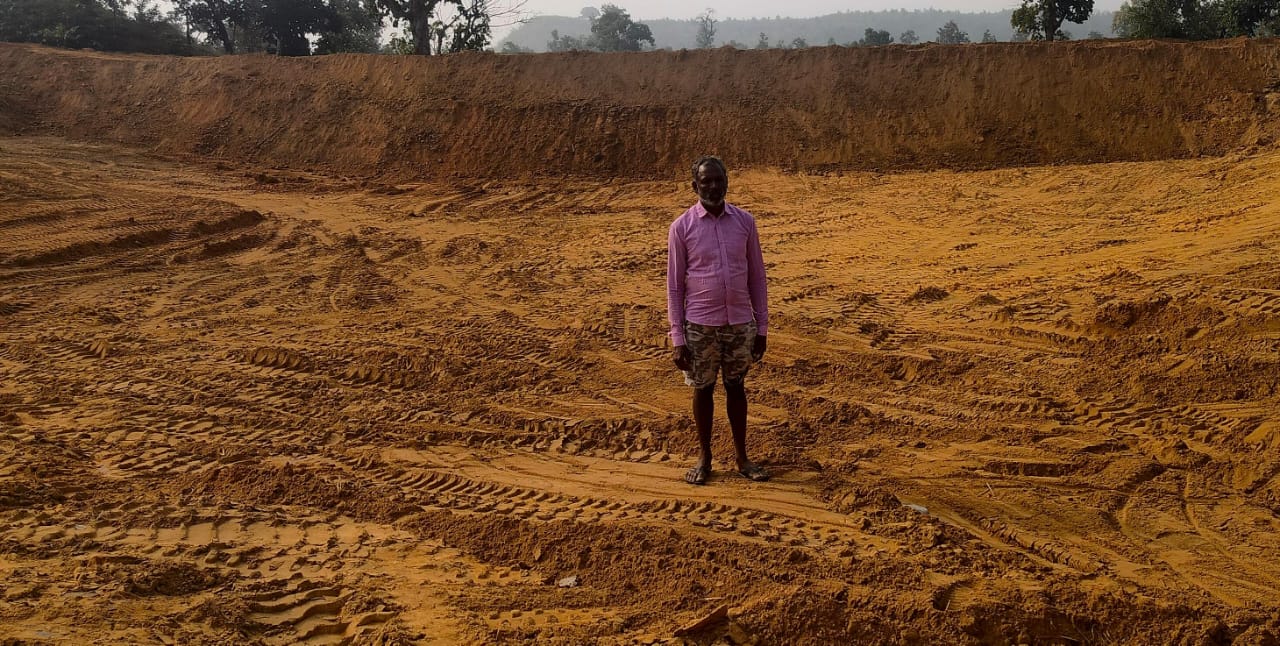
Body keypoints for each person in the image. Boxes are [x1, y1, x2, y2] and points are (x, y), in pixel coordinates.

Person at [666, 156, 770, 485]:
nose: (713, 186)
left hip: (739, 323)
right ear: (694, 186)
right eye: (705, 181)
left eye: (718, 180)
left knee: (736, 387)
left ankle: (742, 458)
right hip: (700, 325)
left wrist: (762, 328)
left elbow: (757, 278)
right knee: (703, 389)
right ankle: (705, 457)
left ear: (727, 182)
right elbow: (674, 287)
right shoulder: (681, 227)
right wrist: (678, 338)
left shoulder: (745, 223)